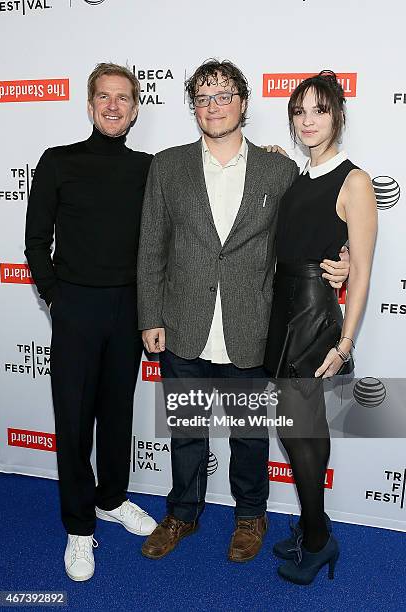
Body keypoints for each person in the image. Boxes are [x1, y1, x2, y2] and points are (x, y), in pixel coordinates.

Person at [137, 59, 349, 562]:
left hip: (252, 328)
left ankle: (251, 517)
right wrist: (150, 316)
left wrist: (340, 263)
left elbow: (315, 219)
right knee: (186, 433)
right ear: (194, 108)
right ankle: (182, 514)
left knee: (249, 436)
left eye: (224, 95)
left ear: (243, 104)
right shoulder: (166, 166)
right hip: (184, 326)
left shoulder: (280, 170)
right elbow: (150, 248)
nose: (214, 106)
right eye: (204, 98)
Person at [24, 63, 157, 582]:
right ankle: (80, 527)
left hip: (129, 306)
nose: (113, 106)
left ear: (135, 108)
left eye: (123, 98)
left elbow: (205, 180)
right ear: (89, 103)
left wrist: (274, 157)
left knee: (117, 413)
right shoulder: (58, 162)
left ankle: (112, 498)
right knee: (74, 421)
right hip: (76, 305)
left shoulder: (149, 167)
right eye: (104, 96)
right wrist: (56, 295)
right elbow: (36, 242)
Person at [264, 71, 377, 584]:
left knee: (301, 429)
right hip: (281, 305)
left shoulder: (354, 180)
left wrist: (347, 341)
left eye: (320, 110)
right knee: (296, 429)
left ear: (338, 116)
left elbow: (365, 270)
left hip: (313, 312)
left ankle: (316, 540)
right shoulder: (295, 175)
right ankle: (315, 524)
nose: (308, 121)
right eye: (299, 111)